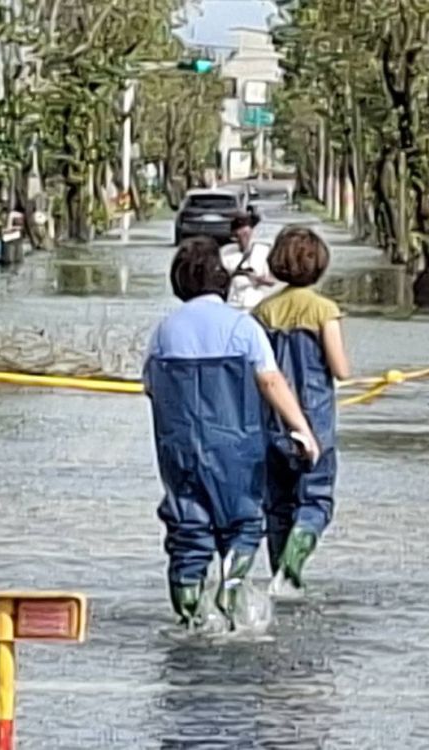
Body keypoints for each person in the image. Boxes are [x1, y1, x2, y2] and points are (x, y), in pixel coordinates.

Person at [144, 236, 319, 630]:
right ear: (222, 282)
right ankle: (233, 587)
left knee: (187, 528)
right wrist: (302, 430)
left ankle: (189, 614)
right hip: (237, 447)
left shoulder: (163, 332)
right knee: (243, 522)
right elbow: (271, 382)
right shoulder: (243, 327)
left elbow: (150, 385)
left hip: (180, 449)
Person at [254, 226, 351, 594]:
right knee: (316, 497)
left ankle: (280, 573)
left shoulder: (262, 312)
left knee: (277, 506)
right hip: (316, 422)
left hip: (271, 424)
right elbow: (340, 368)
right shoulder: (324, 310)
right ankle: (298, 554)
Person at [220, 209, 277, 311]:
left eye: (246, 234)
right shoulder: (226, 252)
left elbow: (273, 281)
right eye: (239, 235)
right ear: (234, 237)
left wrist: (260, 280)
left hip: (255, 304)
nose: (244, 238)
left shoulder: (261, 251)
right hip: (233, 304)